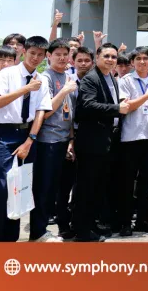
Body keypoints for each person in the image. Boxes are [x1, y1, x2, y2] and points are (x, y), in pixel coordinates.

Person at [0, 35, 53, 242]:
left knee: (18, 188)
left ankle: (10, 239)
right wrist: (25, 89)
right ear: (23, 52)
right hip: (3, 133)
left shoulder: (42, 79)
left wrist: (30, 140)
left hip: (27, 134)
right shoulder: (7, 74)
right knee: (0, 188)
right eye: (32, 53)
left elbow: (41, 111)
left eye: (40, 55)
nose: (35, 58)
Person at [74, 43, 127, 242]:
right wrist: (117, 108)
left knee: (98, 187)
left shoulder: (111, 77)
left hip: (107, 140)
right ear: (97, 57)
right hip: (92, 141)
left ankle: (92, 224)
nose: (111, 60)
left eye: (114, 57)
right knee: (86, 188)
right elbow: (87, 105)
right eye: (106, 56)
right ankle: (82, 230)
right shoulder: (91, 78)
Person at [28, 39, 78, 242]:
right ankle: (38, 231)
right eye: (57, 54)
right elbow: (45, 112)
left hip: (64, 140)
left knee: (56, 189)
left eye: (65, 54)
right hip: (46, 140)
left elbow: (71, 112)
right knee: (43, 188)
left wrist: (71, 140)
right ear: (48, 56)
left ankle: (45, 230)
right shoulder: (45, 77)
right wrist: (64, 90)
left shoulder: (68, 76)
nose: (62, 57)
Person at [117, 46, 148, 236]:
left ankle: (144, 220)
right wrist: (147, 96)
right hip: (130, 137)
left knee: (146, 182)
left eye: (146, 58)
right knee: (127, 182)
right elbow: (126, 107)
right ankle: (125, 222)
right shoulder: (126, 81)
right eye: (138, 58)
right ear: (132, 62)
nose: (142, 62)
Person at [57, 45, 94, 240]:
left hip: (89, 137)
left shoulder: (97, 81)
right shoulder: (69, 82)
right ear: (73, 62)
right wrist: (71, 138)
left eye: (87, 60)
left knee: (84, 184)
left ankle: (81, 222)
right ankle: (63, 223)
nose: (83, 64)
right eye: (79, 60)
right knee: (65, 183)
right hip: (69, 136)